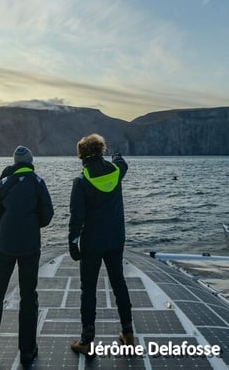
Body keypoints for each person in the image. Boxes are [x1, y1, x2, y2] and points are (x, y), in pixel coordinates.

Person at [0, 145, 54, 367]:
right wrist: (32, 224)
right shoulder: (38, 182)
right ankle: (27, 351)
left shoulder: (4, 182)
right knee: (28, 296)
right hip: (30, 246)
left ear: (14, 162)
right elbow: (47, 215)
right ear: (31, 162)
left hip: (5, 246)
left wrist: (5, 225)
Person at [68, 133, 133, 354]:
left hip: (92, 242)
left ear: (81, 155)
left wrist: (73, 243)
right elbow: (122, 162)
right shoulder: (116, 172)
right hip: (116, 239)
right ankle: (128, 332)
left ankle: (86, 340)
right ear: (101, 150)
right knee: (119, 283)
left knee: (88, 289)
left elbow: (76, 217)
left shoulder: (81, 181)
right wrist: (115, 154)